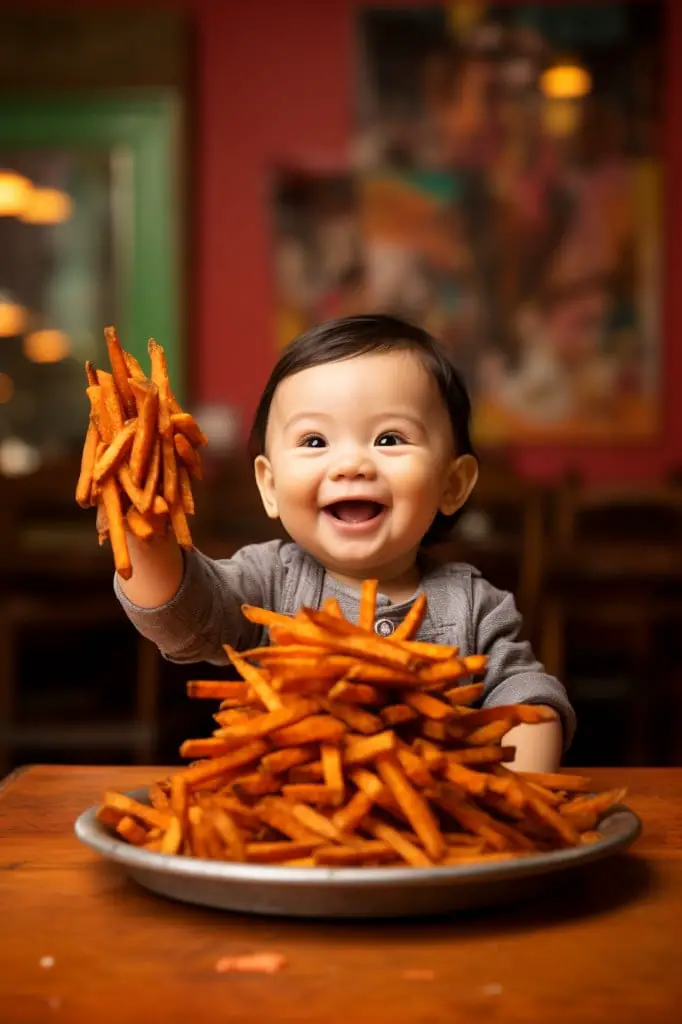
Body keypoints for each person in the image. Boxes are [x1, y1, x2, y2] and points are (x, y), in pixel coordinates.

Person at [115, 314, 575, 771]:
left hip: (439, 834)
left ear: (452, 484)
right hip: (295, 828)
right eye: (315, 441)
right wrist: (145, 537)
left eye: (389, 438)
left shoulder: (475, 606)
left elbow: (527, 701)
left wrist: (521, 784)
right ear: (269, 485)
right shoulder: (267, 582)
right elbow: (183, 617)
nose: (351, 463)